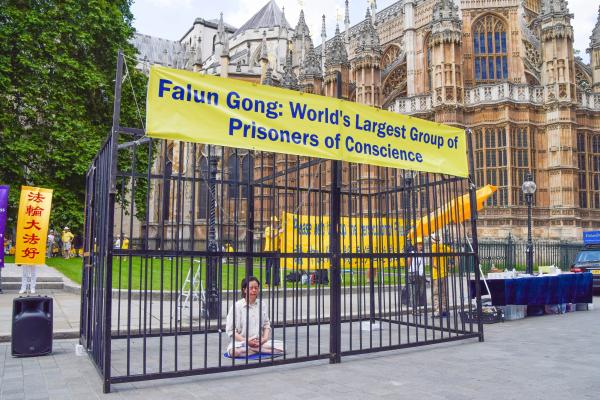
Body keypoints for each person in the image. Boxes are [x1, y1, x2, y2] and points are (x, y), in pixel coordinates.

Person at [225, 276, 284, 357]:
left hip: (259, 342)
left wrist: (264, 339)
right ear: (244, 290)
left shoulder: (262, 304)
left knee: (283, 347)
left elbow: (266, 324)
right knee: (234, 352)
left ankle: (255, 349)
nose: (254, 290)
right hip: (242, 343)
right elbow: (230, 330)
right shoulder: (237, 306)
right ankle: (258, 350)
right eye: (251, 288)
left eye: (256, 288)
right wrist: (246, 341)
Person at [430, 233, 452, 318]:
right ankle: (444, 310)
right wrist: (452, 265)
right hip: (444, 273)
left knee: (436, 293)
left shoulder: (433, 247)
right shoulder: (445, 247)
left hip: (436, 274)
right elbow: (455, 254)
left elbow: (432, 261)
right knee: (443, 293)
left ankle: (437, 311)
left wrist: (434, 265)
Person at [407, 237, 427, 313]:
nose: (420, 246)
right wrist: (409, 271)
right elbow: (408, 263)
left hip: (421, 274)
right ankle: (414, 309)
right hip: (413, 274)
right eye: (419, 244)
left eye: (421, 244)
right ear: (416, 245)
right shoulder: (412, 253)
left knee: (420, 291)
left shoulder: (422, 254)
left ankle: (416, 307)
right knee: (413, 292)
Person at [264, 217, 282, 287]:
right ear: (272, 222)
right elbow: (271, 236)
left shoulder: (277, 230)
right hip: (268, 250)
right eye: (275, 221)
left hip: (276, 251)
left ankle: (276, 282)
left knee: (276, 267)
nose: (276, 223)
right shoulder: (268, 229)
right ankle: (267, 282)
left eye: (277, 222)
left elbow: (280, 240)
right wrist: (279, 232)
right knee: (268, 268)